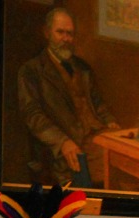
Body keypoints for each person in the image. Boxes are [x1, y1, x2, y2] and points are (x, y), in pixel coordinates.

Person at [18, 7, 119, 187]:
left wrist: (110, 121)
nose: (66, 39)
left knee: (128, 159)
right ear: (47, 33)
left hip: (96, 136)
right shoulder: (31, 70)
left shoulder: (83, 68)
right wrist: (62, 141)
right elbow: (33, 116)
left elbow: (98, 104)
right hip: (66, 145)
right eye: (60, 32)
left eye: (70, 34)